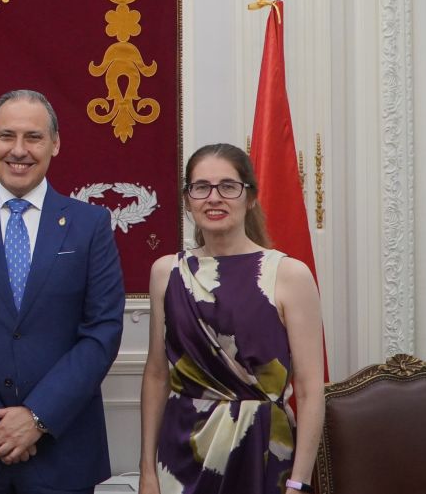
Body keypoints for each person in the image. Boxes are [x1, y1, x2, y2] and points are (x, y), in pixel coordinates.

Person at [0, 89, 126, 494]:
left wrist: (36, 417)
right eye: (7, 136)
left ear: (55, 143)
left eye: (33, 137)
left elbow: (102, 331)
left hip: (62, 453)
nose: (19, 150)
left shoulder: (90, 225)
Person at [138, 143, 324, 494]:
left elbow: (309, 389)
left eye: (228, 186)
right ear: (188, 199)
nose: (214, 198)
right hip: (181, 459)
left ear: (250, 197)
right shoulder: (166, 272)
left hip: (262, 453)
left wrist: (299, 482)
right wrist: (147, 470)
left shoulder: (289, 275)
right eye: (201, 187)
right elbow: (157, 374)